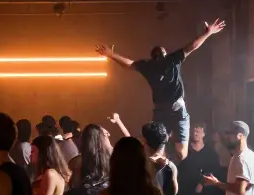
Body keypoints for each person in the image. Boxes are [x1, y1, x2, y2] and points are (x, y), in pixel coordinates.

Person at [96, 18, 226, 160]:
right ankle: (164, 156)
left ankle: (164, 151)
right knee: (178, 153)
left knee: (163, 151)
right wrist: (208, 33)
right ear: (163, 54)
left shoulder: (150, 65)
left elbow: (129, 64)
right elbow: (192, 46)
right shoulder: (170, 60)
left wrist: (111, 55)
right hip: (174, 109)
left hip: (164, 110)